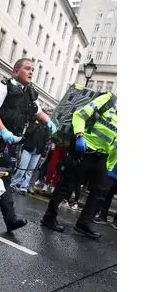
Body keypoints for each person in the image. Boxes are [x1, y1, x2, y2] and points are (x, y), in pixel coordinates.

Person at [0, 58, 58, 232]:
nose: (31, 72)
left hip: (10, 144)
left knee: (2, 178)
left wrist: (49, 122)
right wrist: (3, 131)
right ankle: (7, 218)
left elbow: (38, 112)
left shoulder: (29, 93)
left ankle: (10, 220)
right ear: (15, 71)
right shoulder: (3, 87)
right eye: (27, 68)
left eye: (33, 69)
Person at [41, 91, 117, 238]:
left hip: (102, 156)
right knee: (67, 185)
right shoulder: (108, 99)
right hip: (84, 149)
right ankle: (49, 217)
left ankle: (84, 224)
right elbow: (80, 115)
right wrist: (80, 136)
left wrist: (110, 164)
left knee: (100, 191)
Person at [10, 112, 50, 194]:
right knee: (22, 168)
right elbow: (28, 134)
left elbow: (46, 140)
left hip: (37, 151)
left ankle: (24, 187)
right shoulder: (32, 124)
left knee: (30, 170)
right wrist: (36, 124)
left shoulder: (46, 128)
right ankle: (13, 184)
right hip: (28, 148)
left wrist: (43, 151)